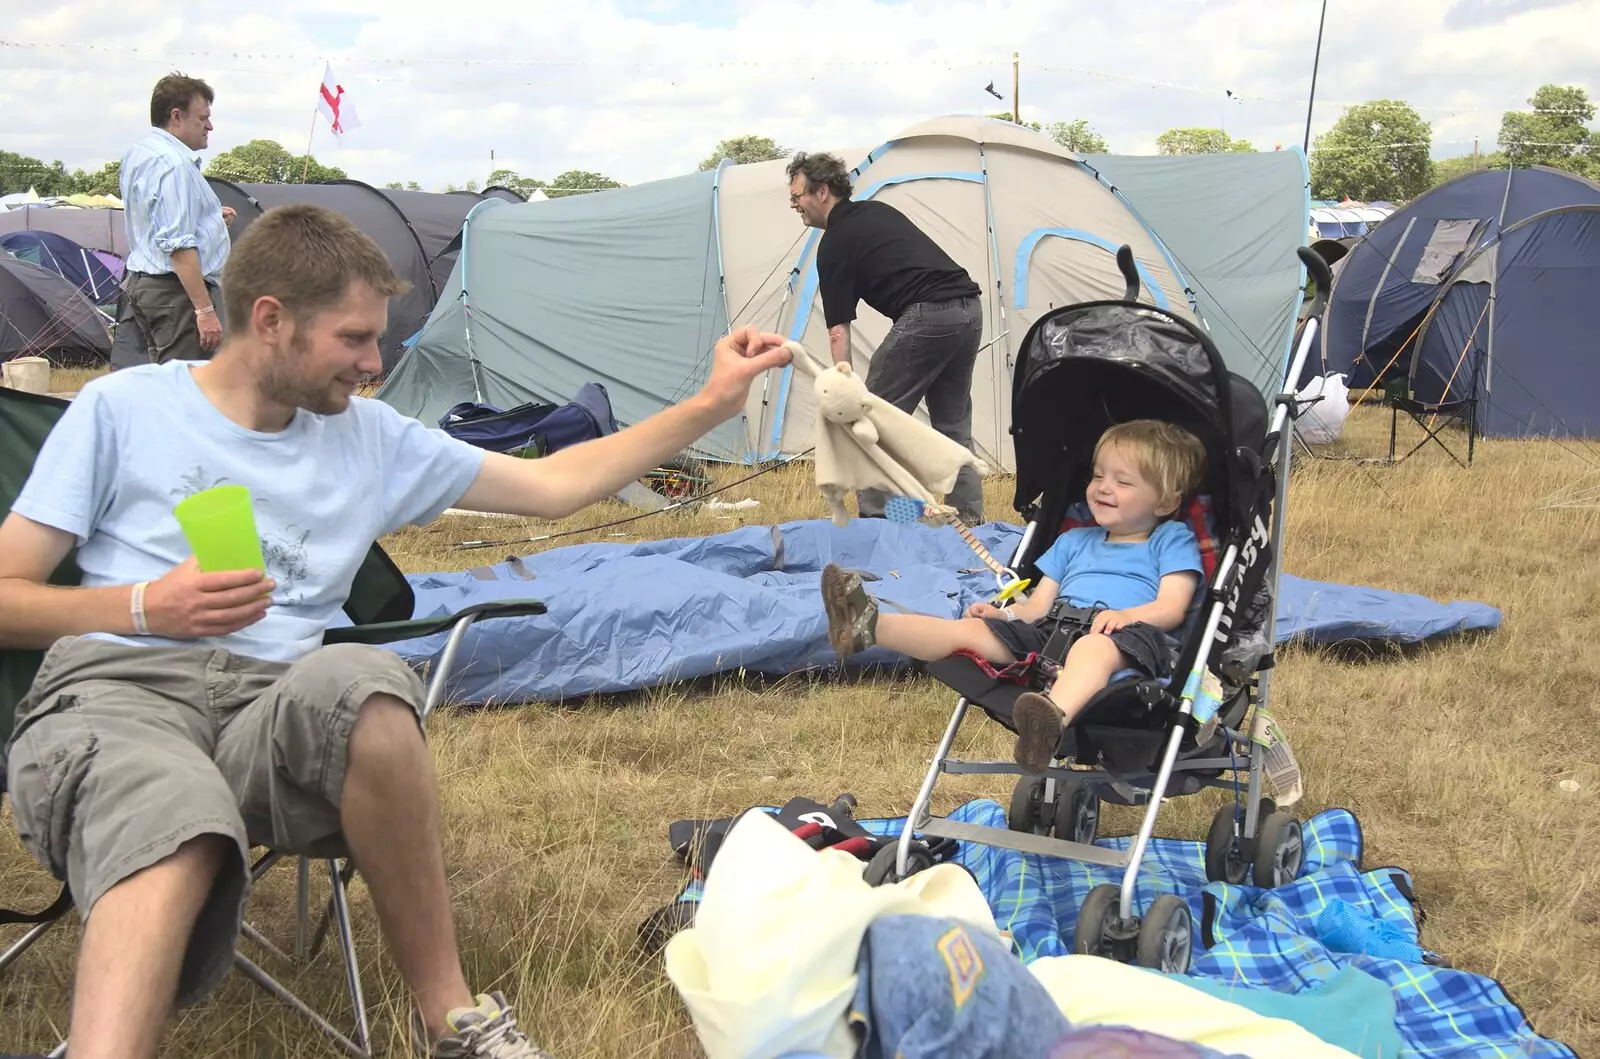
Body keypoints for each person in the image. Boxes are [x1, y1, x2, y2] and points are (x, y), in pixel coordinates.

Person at [0, 203, 793, 1059]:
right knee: (170, 812)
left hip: (273, 709)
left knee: (368, 687)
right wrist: (146, 606)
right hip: (122, 694)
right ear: (270, 320)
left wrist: (712, 404)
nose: (376, 363)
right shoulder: (122, 409)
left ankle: (454, 1020)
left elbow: (560, 483)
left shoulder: (369, 438)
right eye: (354, 338)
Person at [820, 419, 1206, 773]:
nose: (1103, 487)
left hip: (1127, 641)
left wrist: (1129, 617)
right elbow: (1038, 606)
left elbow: (1172, 608)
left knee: (1093, 650)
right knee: (972, 632)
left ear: (1166, 503)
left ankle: (1051, 718)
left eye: (1123, 482)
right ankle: (868, 625)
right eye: (1098, 475)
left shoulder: (1170, 540)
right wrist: (1003, 616)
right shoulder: (1073, 540)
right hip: (1054, 633)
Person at [786, 151, 985, 525]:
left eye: (797, 197)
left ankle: (879, 521)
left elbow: (838, 329)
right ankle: (971, 518)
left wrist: (842, 389)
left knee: (870, 420)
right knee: (953, 424)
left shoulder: (835, 242)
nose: (794, 205)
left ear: (822, 191)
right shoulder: (878, 212)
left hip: (929, 316)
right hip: (969, 312)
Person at [118, 72, 236, 365]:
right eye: (202, 118)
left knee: (163, 384)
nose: (210, 126)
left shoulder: (141, 153)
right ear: (176, 116)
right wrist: (204, 311)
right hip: (175, 292)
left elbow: (152, 217)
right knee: (186, 388)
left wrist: (208, 218)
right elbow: (178, 245)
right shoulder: (174, 165)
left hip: (147, 284)